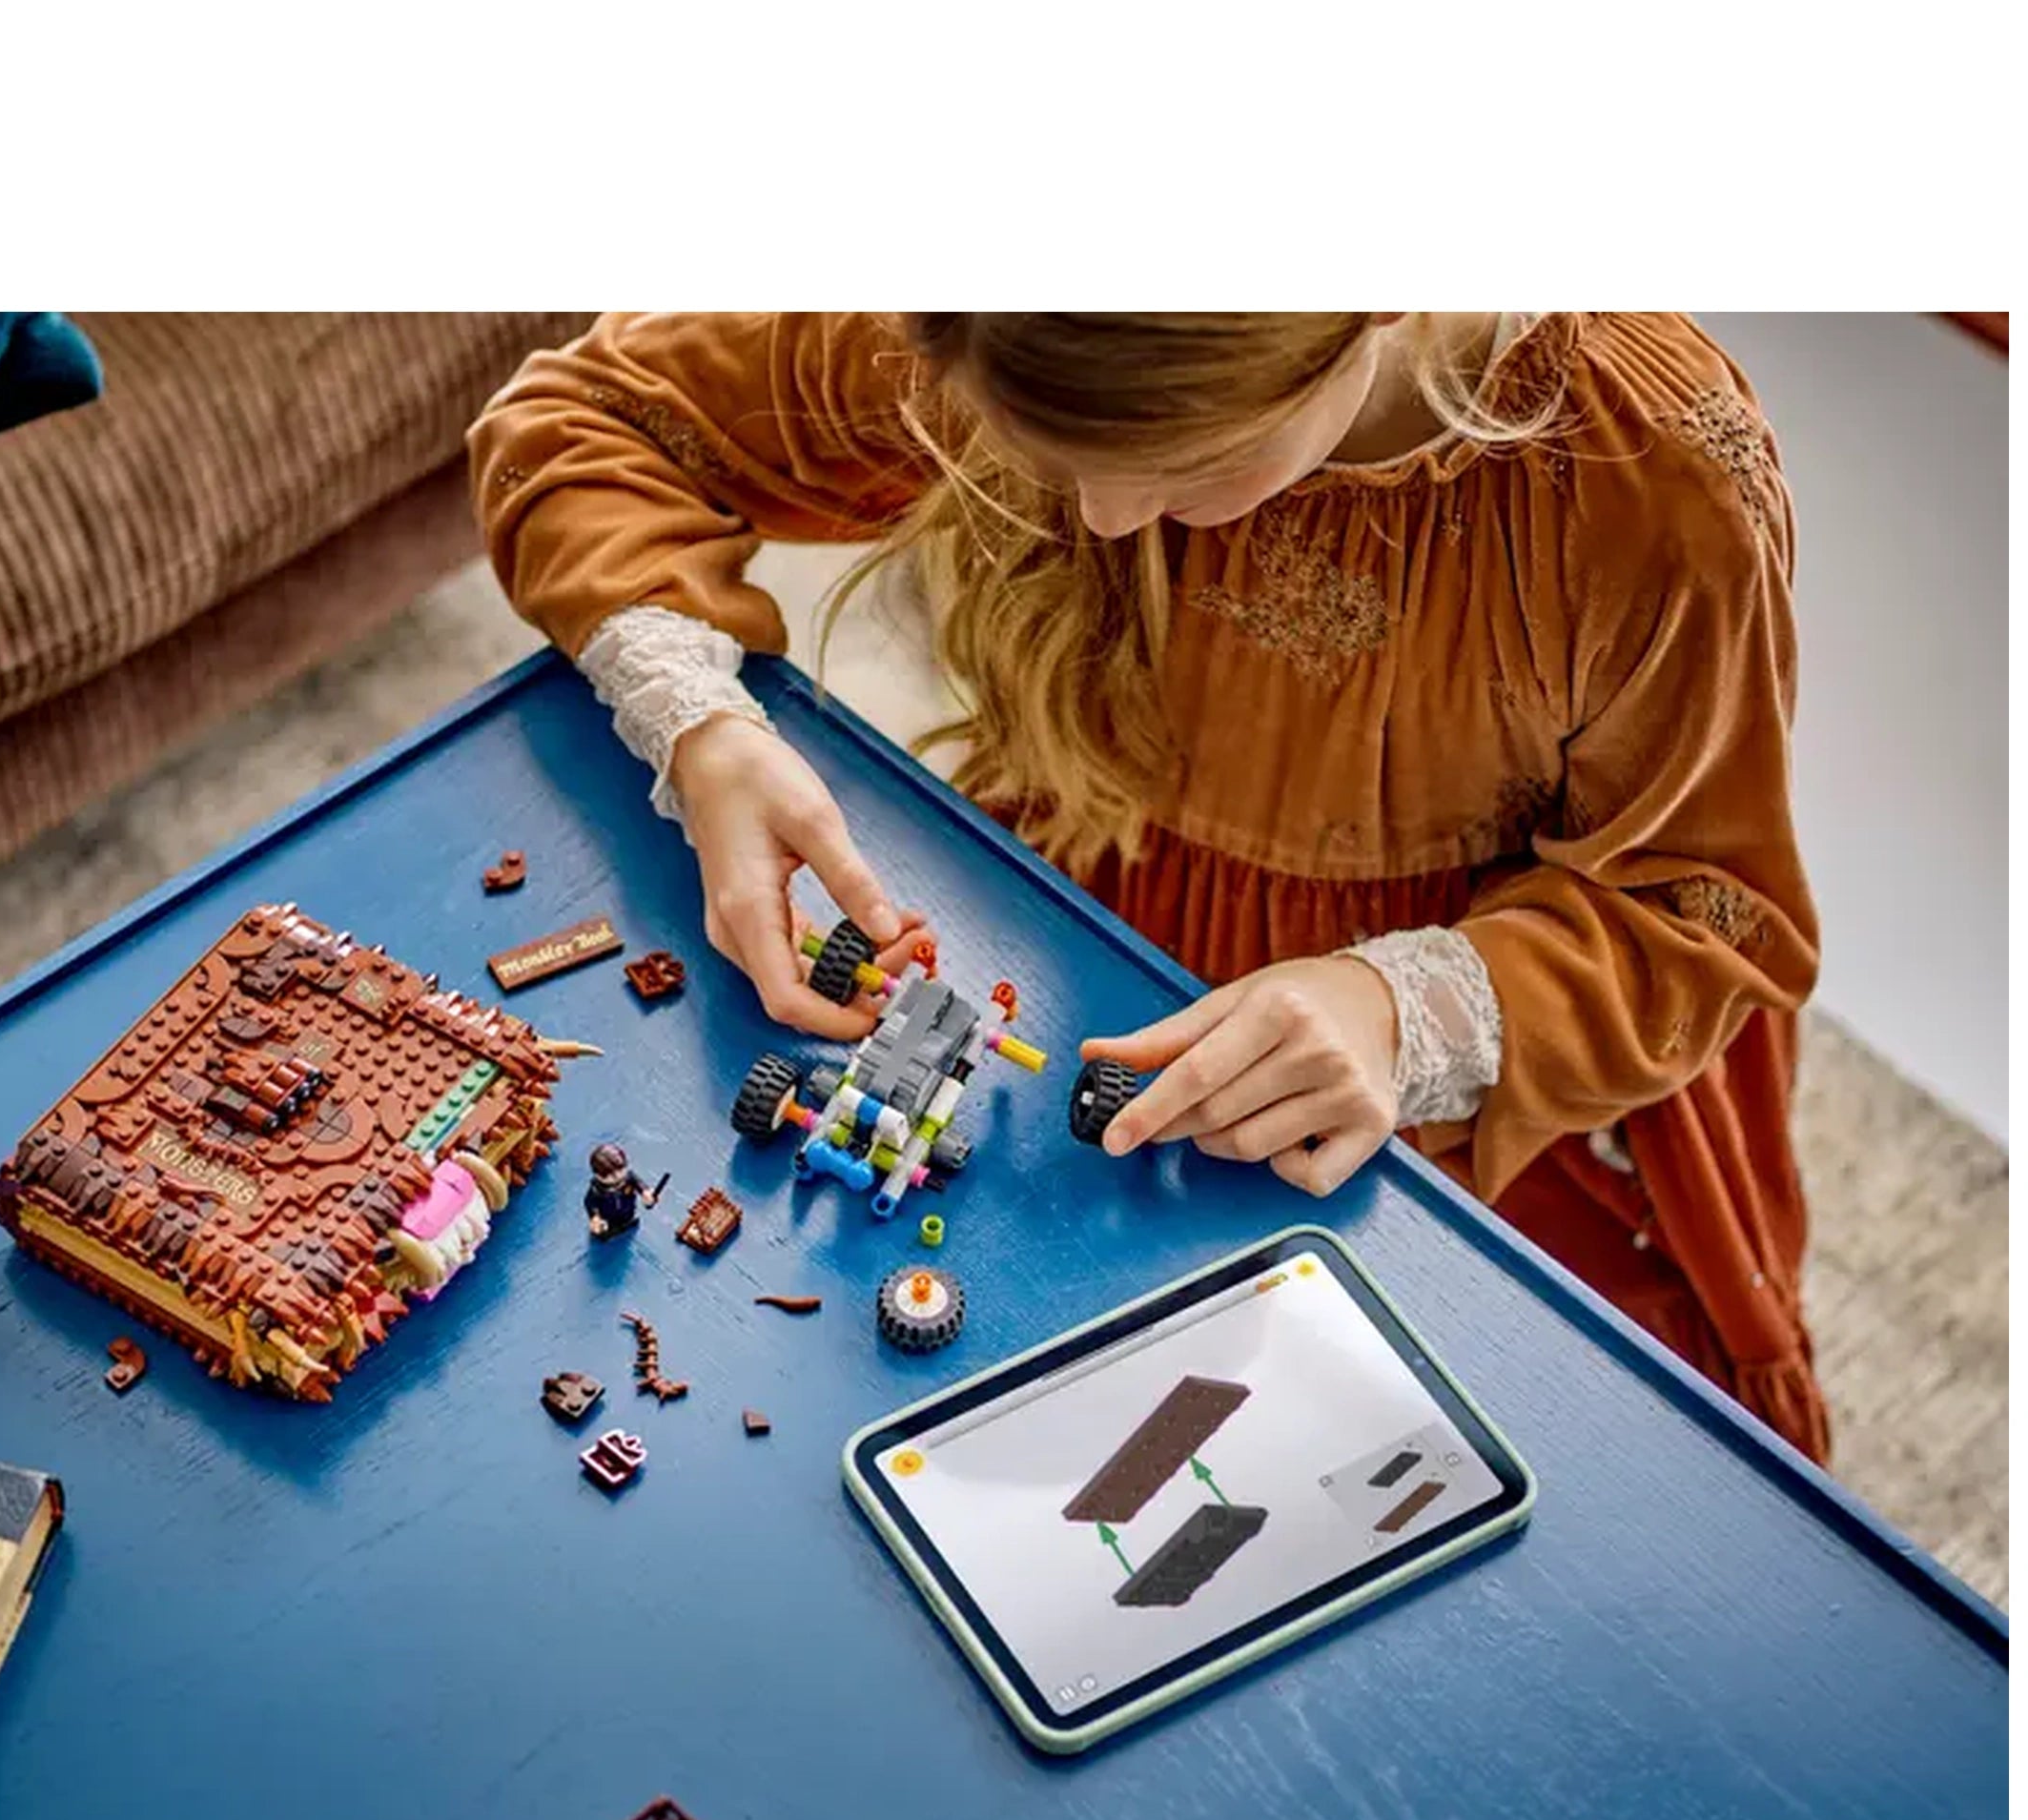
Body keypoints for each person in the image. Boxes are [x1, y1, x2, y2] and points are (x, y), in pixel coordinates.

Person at [469, 314, 1826, 1457]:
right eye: (1046, 456)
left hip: (1479, 1082)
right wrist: (703, 732)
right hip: (1092, 921)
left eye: (1184, 465)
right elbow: (577, 417)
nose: (1101, 520)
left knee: (1467, 1463)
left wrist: (1396, 1011)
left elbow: (1702, 911)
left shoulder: (1649, 479)